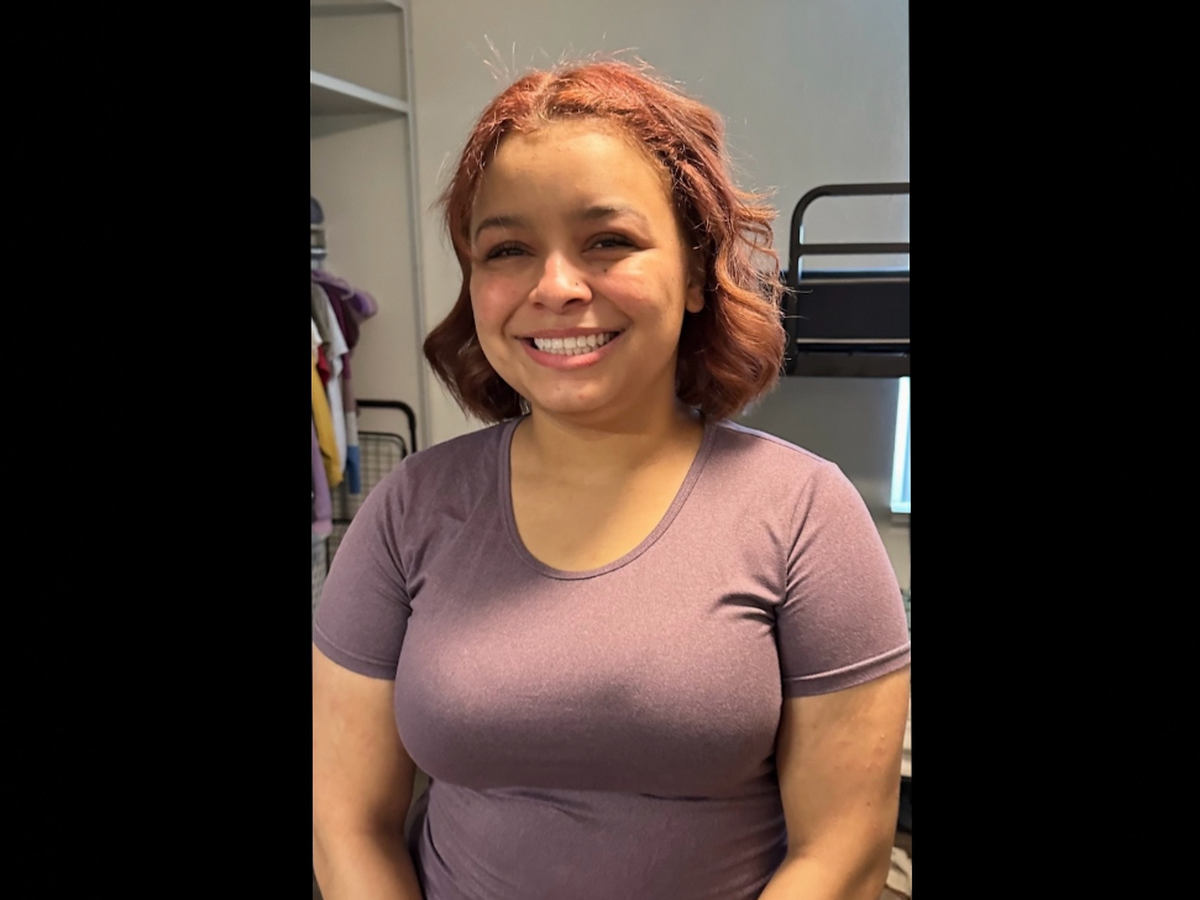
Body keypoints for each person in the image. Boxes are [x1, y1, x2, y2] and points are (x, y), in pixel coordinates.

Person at [312, 58, 911, 900]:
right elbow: (345, 824)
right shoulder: (407, 508)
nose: (556, 287)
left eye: (609, 241)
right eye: (508, 249)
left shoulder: (806, 514)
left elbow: (842, 851)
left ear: (697, 272)